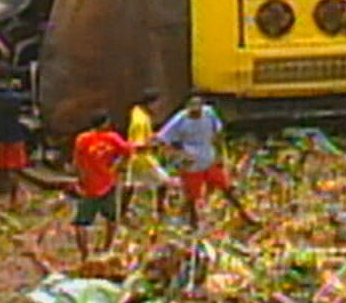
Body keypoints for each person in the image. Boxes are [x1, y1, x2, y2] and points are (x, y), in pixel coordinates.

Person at [156, 95, 254, 230]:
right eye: (193, 111)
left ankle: (245, 215)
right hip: (192, 164)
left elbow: (218, 132)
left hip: (209, 159)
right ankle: (193, 224)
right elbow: (162, 139)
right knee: (192, 197)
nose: (196, 113)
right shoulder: (180, 119)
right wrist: (180, 155)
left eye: (198, 110)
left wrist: (220, 155)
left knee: (227, 189)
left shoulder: (209, 113)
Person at [70, 111, 136, 260]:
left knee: (82, 223)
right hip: (106, 183)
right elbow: (128, 151)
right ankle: (106, 248)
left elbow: (77, 162)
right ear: (105, 123)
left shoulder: (82, 139)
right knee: (111, 218)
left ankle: (85, 254)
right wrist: (117, 166)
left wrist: (80, 178)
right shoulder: (111, 137)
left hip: (91, 185)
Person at [122, 88, 174, 224]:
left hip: (134, 158)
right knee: (164, 182)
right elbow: (138, 145)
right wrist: (154, 145)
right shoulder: (141, 121)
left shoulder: (137, 112)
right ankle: (159, 212)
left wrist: (152, 137)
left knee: (130, 186)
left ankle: (121, 213)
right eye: (158, 104)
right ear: (150, 103)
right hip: (142, 159)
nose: (159, 108)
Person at [0, 77, 32, 207]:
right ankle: (13, 199)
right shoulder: (14, 100)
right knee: (14, 170)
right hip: (14, 137)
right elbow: (24, 98)